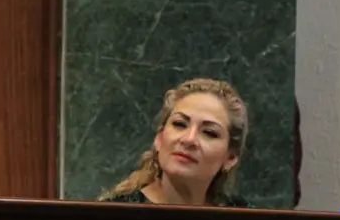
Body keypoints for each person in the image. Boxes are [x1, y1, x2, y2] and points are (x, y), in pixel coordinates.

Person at [99, 78, 250, 207]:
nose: (189, 139)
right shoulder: (113, 214)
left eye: (209, 133)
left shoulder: (243, 218)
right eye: (179, 124)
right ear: (159, 138)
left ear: (230, 157)